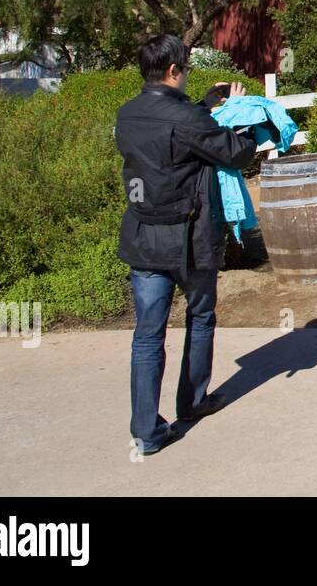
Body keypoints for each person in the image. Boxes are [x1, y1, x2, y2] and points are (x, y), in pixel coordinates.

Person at [115, 35, 259, 455]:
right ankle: (193, 401)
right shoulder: (187, 121)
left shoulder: (128, 115)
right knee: (199, 317)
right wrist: (244, 121)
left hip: (143, 237)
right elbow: (234, 153)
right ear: (175, 71)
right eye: (186, 69)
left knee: (147, 337)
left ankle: (146, 430)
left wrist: (200, 105)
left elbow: (170, 135)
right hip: (188, 240)